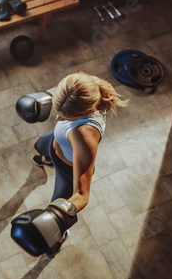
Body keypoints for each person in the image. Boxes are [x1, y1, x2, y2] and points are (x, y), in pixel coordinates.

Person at [32, 72, 127, 257]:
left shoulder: (84, 135)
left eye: (65, 117)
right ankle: (48, 160)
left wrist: (57, 218)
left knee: (54, 212)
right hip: (55, 142)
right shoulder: (80, 85)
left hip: (68, 169)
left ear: (84, 112)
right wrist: (47, 96)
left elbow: (82, 195)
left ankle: (59, 238)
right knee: (39, 145)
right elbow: (57, 92)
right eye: (58, 113)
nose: (58, 119)